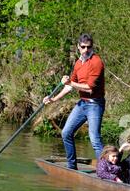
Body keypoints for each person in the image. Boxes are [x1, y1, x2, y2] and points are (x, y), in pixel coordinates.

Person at [43, 33, 105, 170]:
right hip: (82, 103)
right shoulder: (78, 63)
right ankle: (72, 167)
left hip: (95, 104)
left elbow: (89, 88)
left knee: (94, 139)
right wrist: (53, 99)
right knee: (66, 133)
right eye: (83, 47)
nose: (86, 50)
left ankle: (105, 170)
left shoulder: (96, 62)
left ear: (92, 47)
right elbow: (70, 86)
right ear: (78, 47)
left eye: (88, 47)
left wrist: (70, 82)